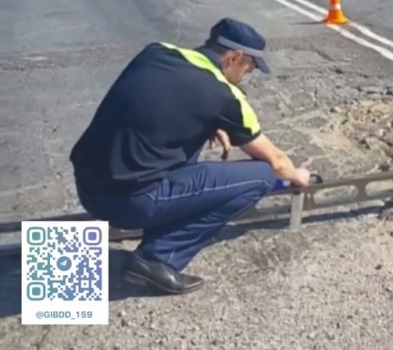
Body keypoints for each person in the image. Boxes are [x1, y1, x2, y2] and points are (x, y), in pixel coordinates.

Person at [70, 18, 312, 295]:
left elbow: (156, 102)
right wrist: (296, 175)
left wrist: (212, 123)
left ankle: (152, 224)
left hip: (87, 186)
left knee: (189, 134)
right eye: (250, 67)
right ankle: (156, 260)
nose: (247, 75)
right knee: (263, 176)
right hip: (129, 204)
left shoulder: (156, 52)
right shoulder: (225, 96)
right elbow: (277, 163)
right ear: (235, 57)